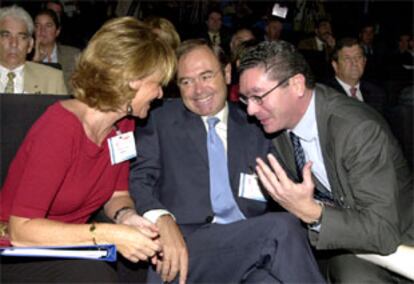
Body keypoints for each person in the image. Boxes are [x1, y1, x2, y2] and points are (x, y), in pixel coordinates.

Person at [129, 39, 325, 284]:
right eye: (186, 82)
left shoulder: (256, 124)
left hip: (250, 248)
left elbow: (286, 178)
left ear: (227, 73)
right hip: (187, 244)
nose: (198, 90)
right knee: (281, 229)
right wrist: (161, 218)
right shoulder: (159, 120)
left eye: (206, 76)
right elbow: (139, 180)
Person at [0, 16, 176, 282]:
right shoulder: (60, 129)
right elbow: (21, 230)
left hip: (74, 245)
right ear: (131, 81)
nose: (161, 94)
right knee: (94, 276)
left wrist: (127, 217)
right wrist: (108, 233)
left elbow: (118, 194)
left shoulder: (123, 124)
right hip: (16, 250)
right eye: (157, 84)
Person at [238, 40, 413, 283]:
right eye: (246, 99)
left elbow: (382, 231)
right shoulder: (276, 126)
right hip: (341, 238)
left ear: (297, 85)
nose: (251, 111)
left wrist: (312, 213)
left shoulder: (357, 130)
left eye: (258, 97)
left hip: (399, 241)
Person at [0, 5, 67, 95]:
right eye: (6, 35)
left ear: (30, 44)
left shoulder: (52, 79)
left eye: (22, 37)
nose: (14, 43)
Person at [324, 37, 388, 116]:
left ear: (364, 62)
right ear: (335, 65)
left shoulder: (377, 93)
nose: (354, 63)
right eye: (347, 58)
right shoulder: (325, 94)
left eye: (358, 57)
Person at [32, 8, 81, 92]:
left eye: (48, 25)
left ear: (57, 31)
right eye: (37, 25)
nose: (42, 30)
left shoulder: (73, 55)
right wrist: (35, 63)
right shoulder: (24, 55)